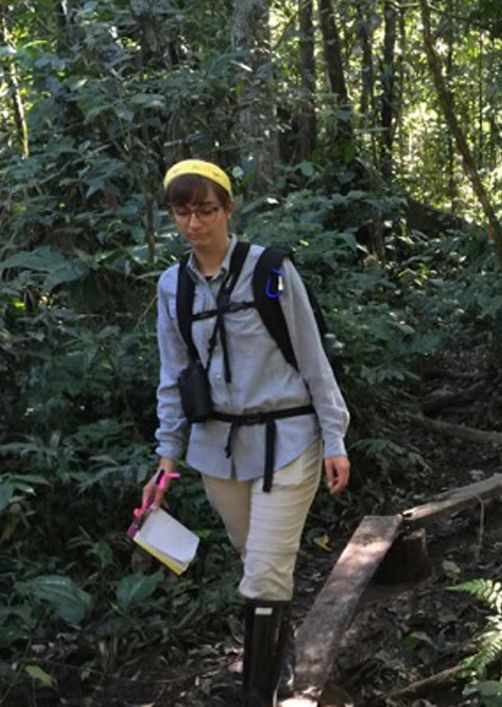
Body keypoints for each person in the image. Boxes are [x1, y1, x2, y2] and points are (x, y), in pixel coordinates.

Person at [142, 159, 351, 705]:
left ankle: (258, 696)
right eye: (182, 212)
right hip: (218, 449)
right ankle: (279, 659)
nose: (194, 224)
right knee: (254, 558)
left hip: (289, 440)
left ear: (229, 209)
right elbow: (172, 378)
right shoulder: (172, 289)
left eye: (206, 210)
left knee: (262, 572)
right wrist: (167, 459)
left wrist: (335, 437)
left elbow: (313, 357)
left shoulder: (271, 270)